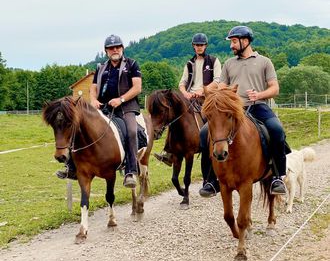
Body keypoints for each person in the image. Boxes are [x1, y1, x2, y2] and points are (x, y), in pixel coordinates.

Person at [199, 25, 287, 197]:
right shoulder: (229, 64)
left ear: (245, 41)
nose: (231, 46)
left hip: (258, 106)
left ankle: (278, 177)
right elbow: (222, 86)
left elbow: (275, 88)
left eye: (233, 42)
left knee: (277, 130)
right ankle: (210, 180)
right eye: (231, 42)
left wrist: (259, 94)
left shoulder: (264, 62)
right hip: (232, 110)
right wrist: (211, 93)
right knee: (204, 134)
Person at [56, 34, 142, 189]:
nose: (114, 50)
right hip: (104, 107)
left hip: (126, 107)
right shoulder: (101, 68)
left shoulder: (132, 64)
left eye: (117, 47)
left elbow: (137, 87)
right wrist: (94, 100)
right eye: (111, 48)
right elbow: (93, 88)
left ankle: (130, 171)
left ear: (122, 48)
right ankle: (72, 167)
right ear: (106, 51)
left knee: (131, 131)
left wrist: (121, 99)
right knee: (79, 127)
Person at [154, 32, 222, 194]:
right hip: (190, 98)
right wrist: (185, 93)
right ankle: (168, 151)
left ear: (205, 46)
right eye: (196, 45)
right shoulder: (189, 63)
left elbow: (218, 80)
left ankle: (211, 145)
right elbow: (182, 82)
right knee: (175, 117)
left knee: (209, 120)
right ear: (193, 46)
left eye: (201, 45)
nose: (199, 47)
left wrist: (201, 90)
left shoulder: (213, 61)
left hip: (207, 99)